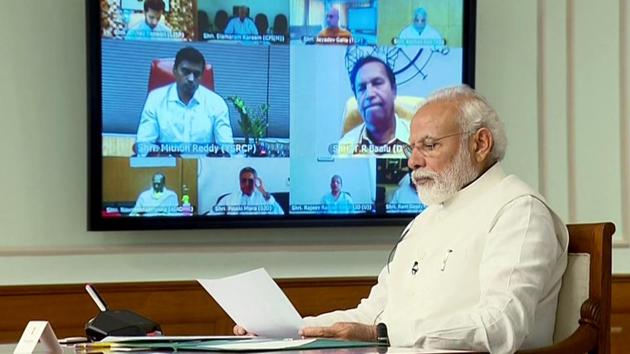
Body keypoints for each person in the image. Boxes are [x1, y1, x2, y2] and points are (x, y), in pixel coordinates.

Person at [235, 86, 569, 353]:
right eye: (412, 147)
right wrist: (289, 331)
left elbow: (500, 327)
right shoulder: (426, 219)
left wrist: (382, 334)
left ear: (480, 143)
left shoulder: (518, 210)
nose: (412, 161)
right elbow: (374, 314)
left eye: (429, 145)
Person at [135, 47, 234, 156]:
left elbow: (228, 149)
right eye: (186, 72)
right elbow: (143, 146)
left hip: (205, 168)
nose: (191, 79)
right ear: (174, 70)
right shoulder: (155, 99)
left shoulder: (217, 103)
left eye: (196, 74)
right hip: (167, 167)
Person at [338, 56, 409, 157]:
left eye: (377, 83)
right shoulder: (344, 148)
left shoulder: (420, 140)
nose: (370, 94)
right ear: (356, 98)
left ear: (393, 90)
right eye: (362, 88)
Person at [213, 167, 284, 215]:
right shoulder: (228, 199)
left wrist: (264, 193)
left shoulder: (265, 198)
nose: (247, 184)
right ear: (239, 182)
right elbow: (212, 214)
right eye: (244, 181)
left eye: (250, 181)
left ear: (256, 182)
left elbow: (280, 213)